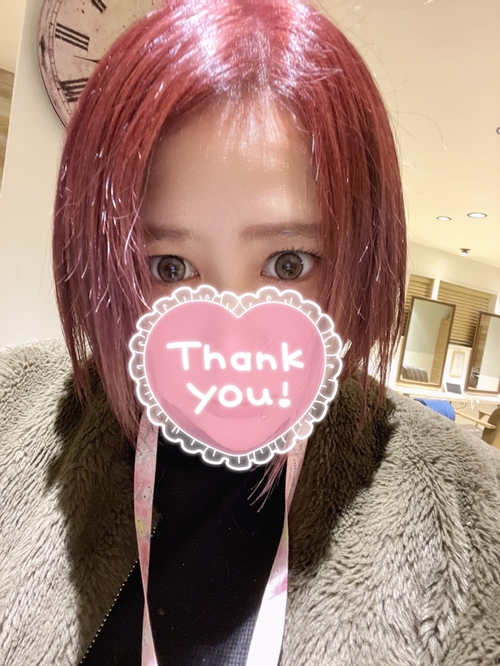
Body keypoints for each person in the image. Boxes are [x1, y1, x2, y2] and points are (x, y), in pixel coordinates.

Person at [1, 1, 499, 664]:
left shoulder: (471, 521)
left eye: (289, 264)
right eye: (169, 267)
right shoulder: (13, 415)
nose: (230, 334)